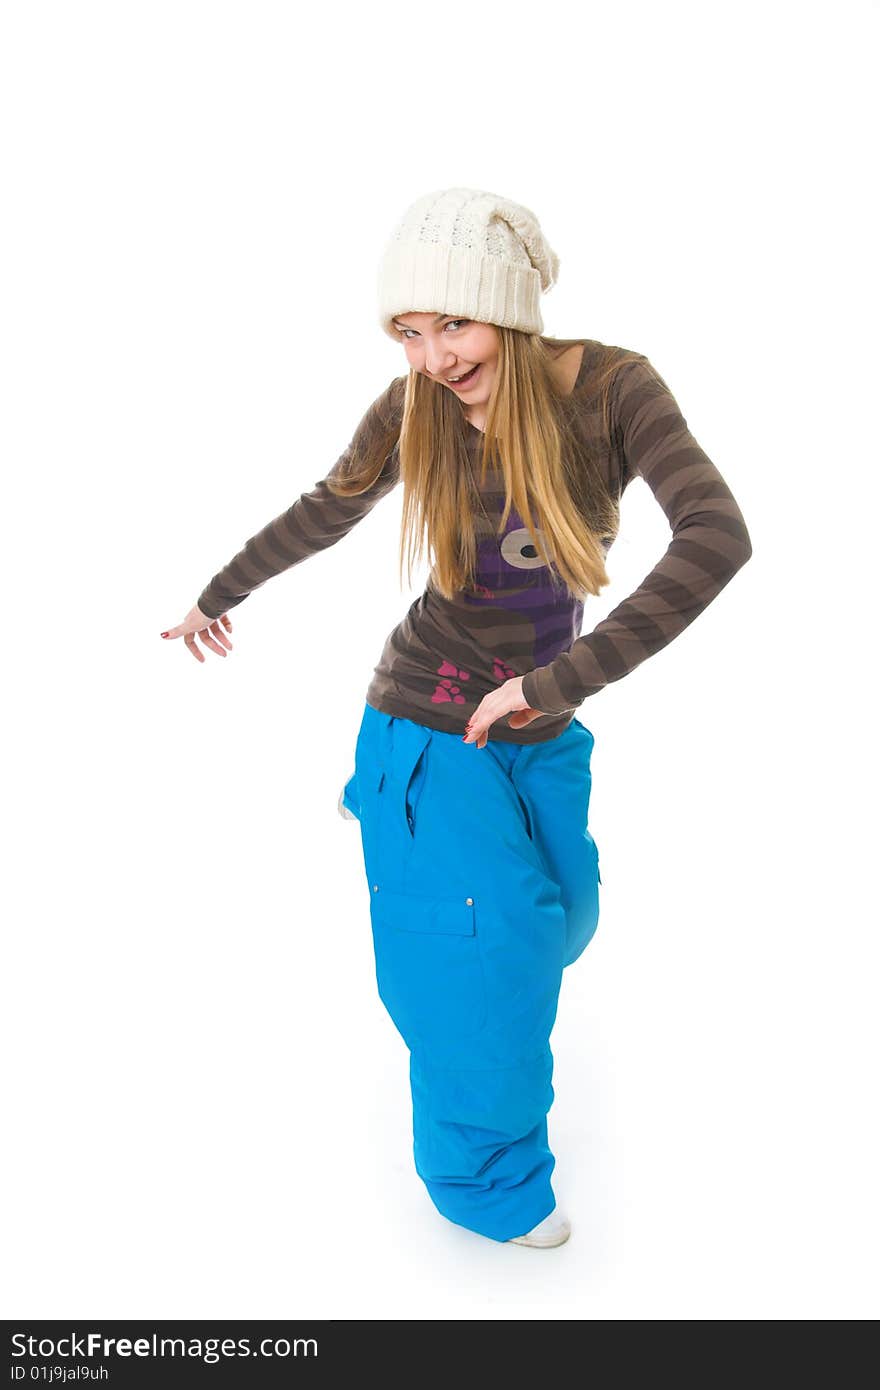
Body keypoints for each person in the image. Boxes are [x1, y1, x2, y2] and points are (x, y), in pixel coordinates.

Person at [160, 187, 752, 1249]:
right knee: (479, 967)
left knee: (561, 919)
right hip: (430, 721)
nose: (432, 356)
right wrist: (218, 590)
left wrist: (549, 686)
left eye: (454, 324)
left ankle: (412, 845)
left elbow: (716, 535)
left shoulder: (612, 386)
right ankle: (487, 1187)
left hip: (534, 724)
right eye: (409, 332)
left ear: (510, 310)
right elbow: (325, 508)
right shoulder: (412, 408)